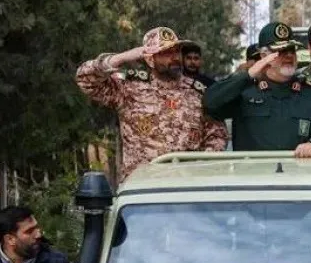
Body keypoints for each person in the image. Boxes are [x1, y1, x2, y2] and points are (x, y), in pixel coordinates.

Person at [75, 27, 228, 178]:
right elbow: (85, 80)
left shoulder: (198, 92)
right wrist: (120, 58)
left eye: (177, 51)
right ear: (150, 59)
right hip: (143, 185)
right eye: (166, 52)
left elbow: (217, 134)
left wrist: (200, 167)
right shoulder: (129, 87)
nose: (175, 57)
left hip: (186, 185)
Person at [204, 22, 311, 155]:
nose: (289, 55)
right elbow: (210, 104)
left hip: (299, 168)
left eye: (292, 50)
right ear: (264, 56)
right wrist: (249, 74)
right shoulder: (244, 92)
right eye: (281, 51)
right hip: (253, 168)